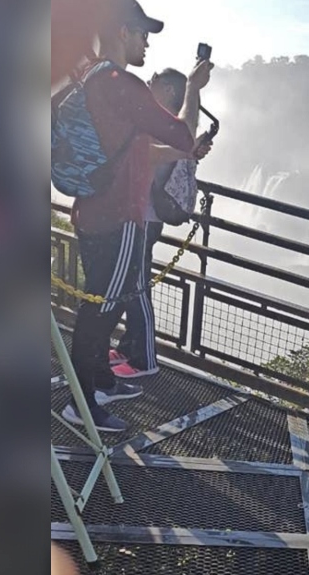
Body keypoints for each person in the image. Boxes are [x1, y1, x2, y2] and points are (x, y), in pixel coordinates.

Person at [62, 0, 212, 432]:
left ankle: (101, 381)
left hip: (92, 207)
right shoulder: (121, 84)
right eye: (143, 33)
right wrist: (194, 87)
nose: (147, 42)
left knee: (104, 301)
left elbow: (133, 151)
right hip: (117, 217)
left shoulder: (89, 77)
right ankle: (82, 402)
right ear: (123, 32)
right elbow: (181, 130)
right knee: (102, 310)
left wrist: (183, 150)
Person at [110, 67, 203, 378]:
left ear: (169, 92)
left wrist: (194, 86)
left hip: (145, 218)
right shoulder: (161, 122)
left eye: (155, 81)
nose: (148, 83)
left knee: (137, 288)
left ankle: (144, 360)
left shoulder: (163, 124)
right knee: (128, 285)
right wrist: (188, 150)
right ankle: (127, 347)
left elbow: (148, 155)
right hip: (139, 215)